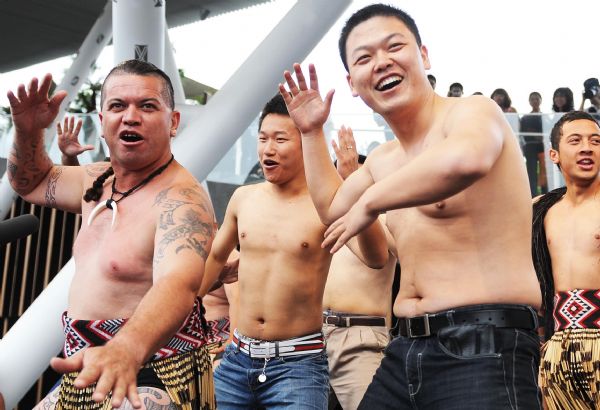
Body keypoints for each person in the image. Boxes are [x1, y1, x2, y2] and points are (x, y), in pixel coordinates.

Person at [280, 3, 542, 409]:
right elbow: (334, 209)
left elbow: (467, 159)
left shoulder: (472, 112)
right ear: (352, 82)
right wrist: (311, 133)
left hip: (484, 344)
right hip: (404, 350)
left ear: (423, 56)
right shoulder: (383, 159)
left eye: (394, 47)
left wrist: (370, 201)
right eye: (364, 58)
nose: (381, 62)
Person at [8, 59, 216, 409]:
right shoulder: (97, 180)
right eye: (118, 106)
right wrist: (28, 132)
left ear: (174, 121)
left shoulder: (181, 200)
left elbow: (177, 284)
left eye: (147, 106)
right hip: (89, 366)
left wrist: (126, 348)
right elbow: (32, 183)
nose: (131, 117)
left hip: (155, 371)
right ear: (103, 122)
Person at [198, 93, 389, 409]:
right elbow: (216, 257)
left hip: (297, 366)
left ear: (306, 143)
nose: (268, 149)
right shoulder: (243, 198)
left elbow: (377, 257)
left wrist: (355, 189)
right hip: (236, 360)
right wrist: (183, 307)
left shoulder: (327, 205)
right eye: (262, 139)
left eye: (280, 139)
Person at [325, 126, 398, 410]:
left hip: (362, 337)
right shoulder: (324, 219)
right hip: (311, 335)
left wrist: (357, 189)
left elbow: (396, 250)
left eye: (358, 180)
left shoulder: (388, 217)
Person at [532, 111, 600, 409]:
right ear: (554, 154)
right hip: (557, 348)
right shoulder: (539, 210)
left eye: (596, 141)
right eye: (576, 140)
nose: (587, 147)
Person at [520, 91, 547, 196]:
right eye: (532, 99)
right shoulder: (525, 118)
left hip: (543, 147)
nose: (535, 101)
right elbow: (523, 133)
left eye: (537, 98)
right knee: (531, 173)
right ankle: (533, 197)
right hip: (530, 147)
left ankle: (547, 196)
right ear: (529, 101)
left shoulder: (546, 116)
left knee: (544, 172)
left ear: (541, 100)